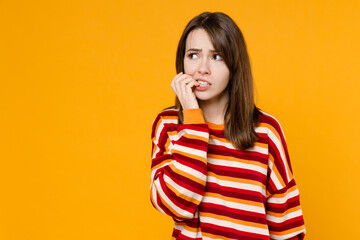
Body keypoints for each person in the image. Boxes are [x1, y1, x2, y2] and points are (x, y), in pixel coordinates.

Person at [149, 12, 306, 240]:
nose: (202, 69)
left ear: (234, 64)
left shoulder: (265, 131)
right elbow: (176, 206)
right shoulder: (169, 125)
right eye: (193, 55)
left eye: (217, 57)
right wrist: (192, 120)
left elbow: (287, 225)